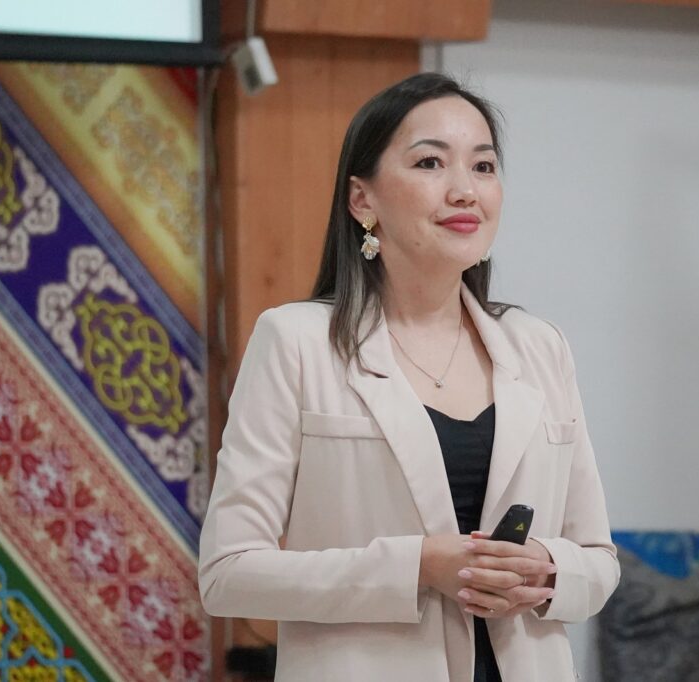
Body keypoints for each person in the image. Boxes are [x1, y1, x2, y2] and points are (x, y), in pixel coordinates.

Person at [198, 72, 620, 682]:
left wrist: (548, 570)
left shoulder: (539, 346)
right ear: (361, 200)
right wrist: (417, 566)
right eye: (430, 163)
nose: (465, 191)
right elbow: (228, 574)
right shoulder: (297, 341)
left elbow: (600, 561)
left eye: (483, 167)